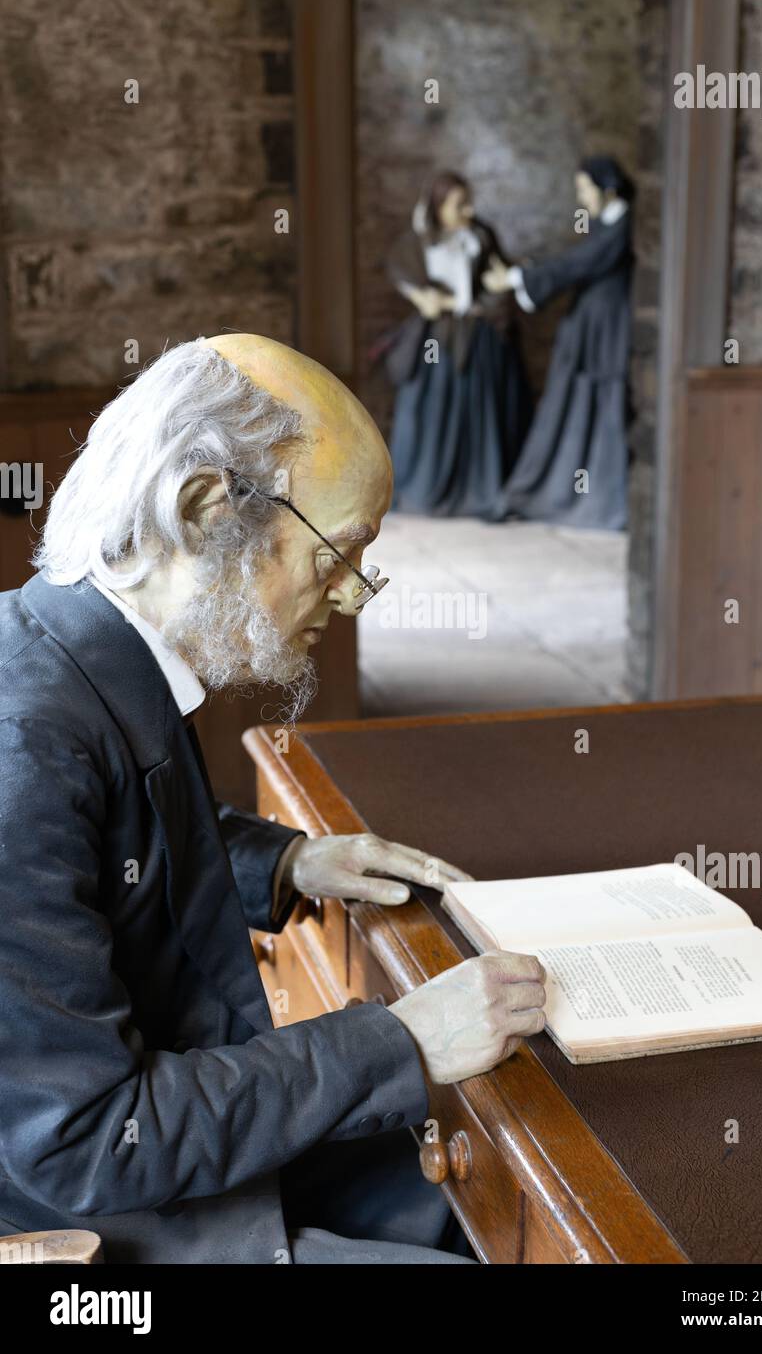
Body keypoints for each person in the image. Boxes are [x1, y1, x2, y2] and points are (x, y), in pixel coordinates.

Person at [0, 334, 547, 1264]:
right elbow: (88, 1139)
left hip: (165, 1149)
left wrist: (286, 859)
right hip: (96, 1225)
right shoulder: (24, 751)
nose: (348, 598)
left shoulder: (76, 647)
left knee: (483, 1194)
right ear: (206, 509)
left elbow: (105, 854)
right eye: (340, 554)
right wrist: (399, 1040)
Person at [483, 156, 635, 529]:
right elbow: (577, 261)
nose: (581, 197)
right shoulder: (608, 224)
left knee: (603, 402)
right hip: (592, 326)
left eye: (585, 188)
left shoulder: (624, 227)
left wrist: (520, 277)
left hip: (608, 331)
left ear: (608, 188)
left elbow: (581, 262)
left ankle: (600, 499)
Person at [382, 171, 533, 517]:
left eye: (468, 202)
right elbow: (403, 272)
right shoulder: (421, 241)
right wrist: (422, 296)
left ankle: (476, 488)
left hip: (476, 336)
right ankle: (425, 489)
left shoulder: (480, 236)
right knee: (430, 412)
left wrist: (504, 284)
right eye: (457, 204)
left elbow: (497, 277)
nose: (467, 210)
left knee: (476, 412)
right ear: (438, 206)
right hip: (437, 338)